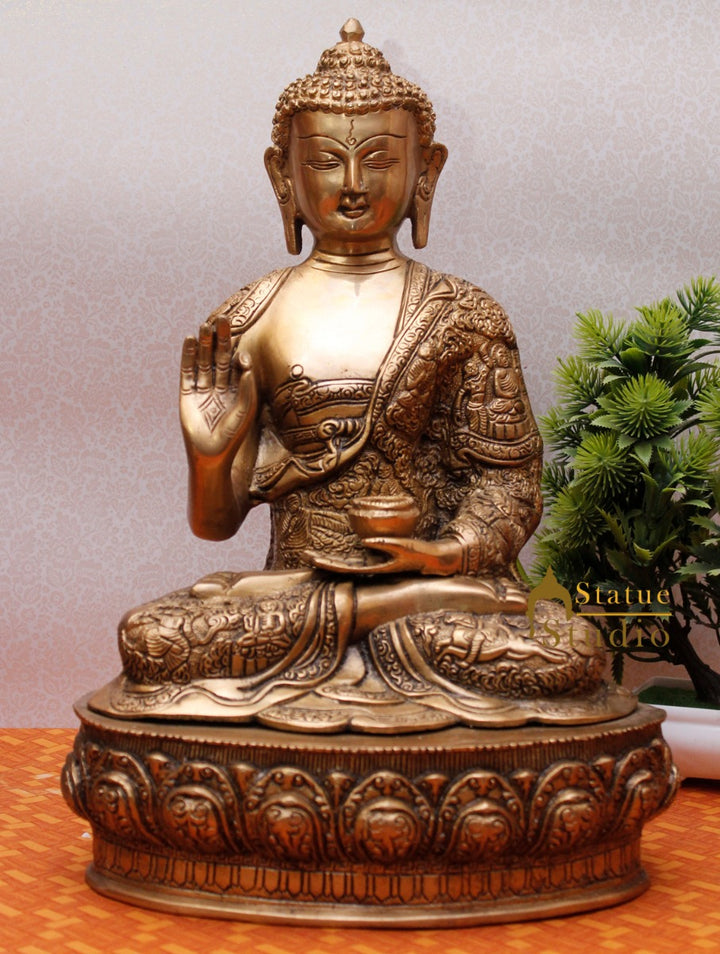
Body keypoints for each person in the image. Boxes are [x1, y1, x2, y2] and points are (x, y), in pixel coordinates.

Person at [93, 21, 632, 732]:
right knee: (153, 637)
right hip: (294, 590)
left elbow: (508, 484)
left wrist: (442, 555)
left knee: (569, 652)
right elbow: (214, 526)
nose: (352, 185)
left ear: (426, 171)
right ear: (283, 175)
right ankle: (367, 613)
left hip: (434, 594)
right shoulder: (249, 318)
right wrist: (211, 455)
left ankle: (381, 611)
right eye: (325, 161)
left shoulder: (465, 314)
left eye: (378, 159)